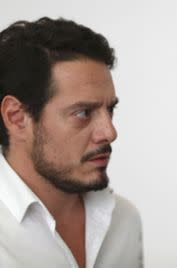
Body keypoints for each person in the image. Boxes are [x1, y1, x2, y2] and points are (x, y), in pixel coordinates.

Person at [0, 18, 142, 268]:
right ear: (17, 117)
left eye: (110, 110)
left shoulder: (123, 220)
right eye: (83, 113)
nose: (110, 132)